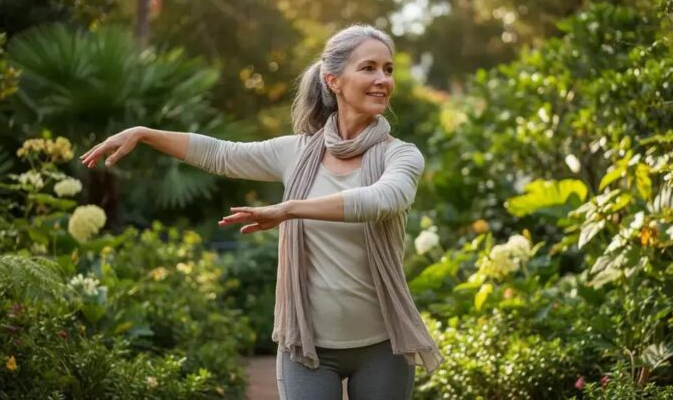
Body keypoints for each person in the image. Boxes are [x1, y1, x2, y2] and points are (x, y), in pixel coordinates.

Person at [80, 23, 443, 399]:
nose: (383, 79)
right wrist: (144, 133)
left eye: (388, 69)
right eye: (368, 68)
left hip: (382, 346)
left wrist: (288, 210)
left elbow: (383, 199)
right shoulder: (296, 152)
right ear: (333, 80)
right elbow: (222, 154)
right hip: (306, 345)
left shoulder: (400, 155)